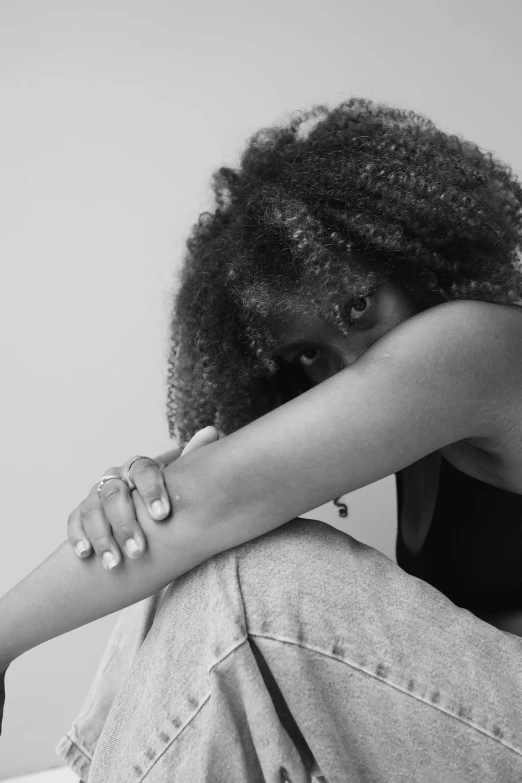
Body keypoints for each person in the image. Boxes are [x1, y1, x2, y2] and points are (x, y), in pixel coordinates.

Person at [1, 97, 522, 781]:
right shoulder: (420, 429)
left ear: (412, 257)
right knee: (203, 523)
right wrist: (150, 490)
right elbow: (203, 498)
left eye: (359, 306)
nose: (350, 363)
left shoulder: (476, 345)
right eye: (309, 353)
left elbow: (210, 503)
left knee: (256, 578)